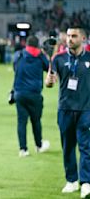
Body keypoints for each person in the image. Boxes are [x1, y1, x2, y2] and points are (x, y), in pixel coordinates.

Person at [45, 27, 90, 198]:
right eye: (68, 36)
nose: (70, 39)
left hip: (86, 109)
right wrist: (49, 80)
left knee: (86, 147)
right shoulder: (58, 58)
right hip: (64, 108)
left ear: (83, 38)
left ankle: (86, 182)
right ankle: (71, 180)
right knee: (68, 146)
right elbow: (49, 82)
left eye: (74, 36)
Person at [13, 36, 50, 157]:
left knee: (21, 122)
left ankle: (23, 149)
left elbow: (15, 68)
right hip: (34, 94)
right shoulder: (40, 56)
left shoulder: (19, 55)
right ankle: (38, 145)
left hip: (20, 93)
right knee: (36, 121)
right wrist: (44, 53)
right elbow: (48, 67)